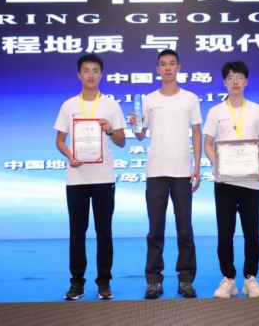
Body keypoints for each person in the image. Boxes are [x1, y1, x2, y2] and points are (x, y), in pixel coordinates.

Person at [130, 49, 202, 299]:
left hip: (182, 171)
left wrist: (197, 166)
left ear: (179, 68)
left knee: (185, 229)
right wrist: (135, 125)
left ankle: (186, 279)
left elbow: (196, 132)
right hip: (156, 171)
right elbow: (140, 134)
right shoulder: (148, 99)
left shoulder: (190, 98)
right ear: (157, 69)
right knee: (155, 229)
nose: (168, 68)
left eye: (172, 63)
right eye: (163, 64)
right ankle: (154, 280)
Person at [54, 54, 126, 301]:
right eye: (86, 70)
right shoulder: (69, 105)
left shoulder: (111, 105)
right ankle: (77, 283)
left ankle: (104, 282)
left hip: (104, 177)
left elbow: (121, 141)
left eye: (95, 70)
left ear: (101, 74)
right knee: (77, 232)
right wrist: (70, 156)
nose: (91, 75)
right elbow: (59, 141)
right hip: (77, 177)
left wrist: (110, 129)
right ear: (79, 74)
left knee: (104, 231)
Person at [203, 61, 259, 298]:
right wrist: (218, 165)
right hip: (225, 183)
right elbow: (208, 144)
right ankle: (228, 279)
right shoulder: (215, 112)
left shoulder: (257, 110)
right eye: (231, 77)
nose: (235, 81)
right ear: (224, 82)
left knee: (252, 233)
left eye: (239, 77)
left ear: (246, 81)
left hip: (251, 181)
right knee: (225, 233)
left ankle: (250, 278)